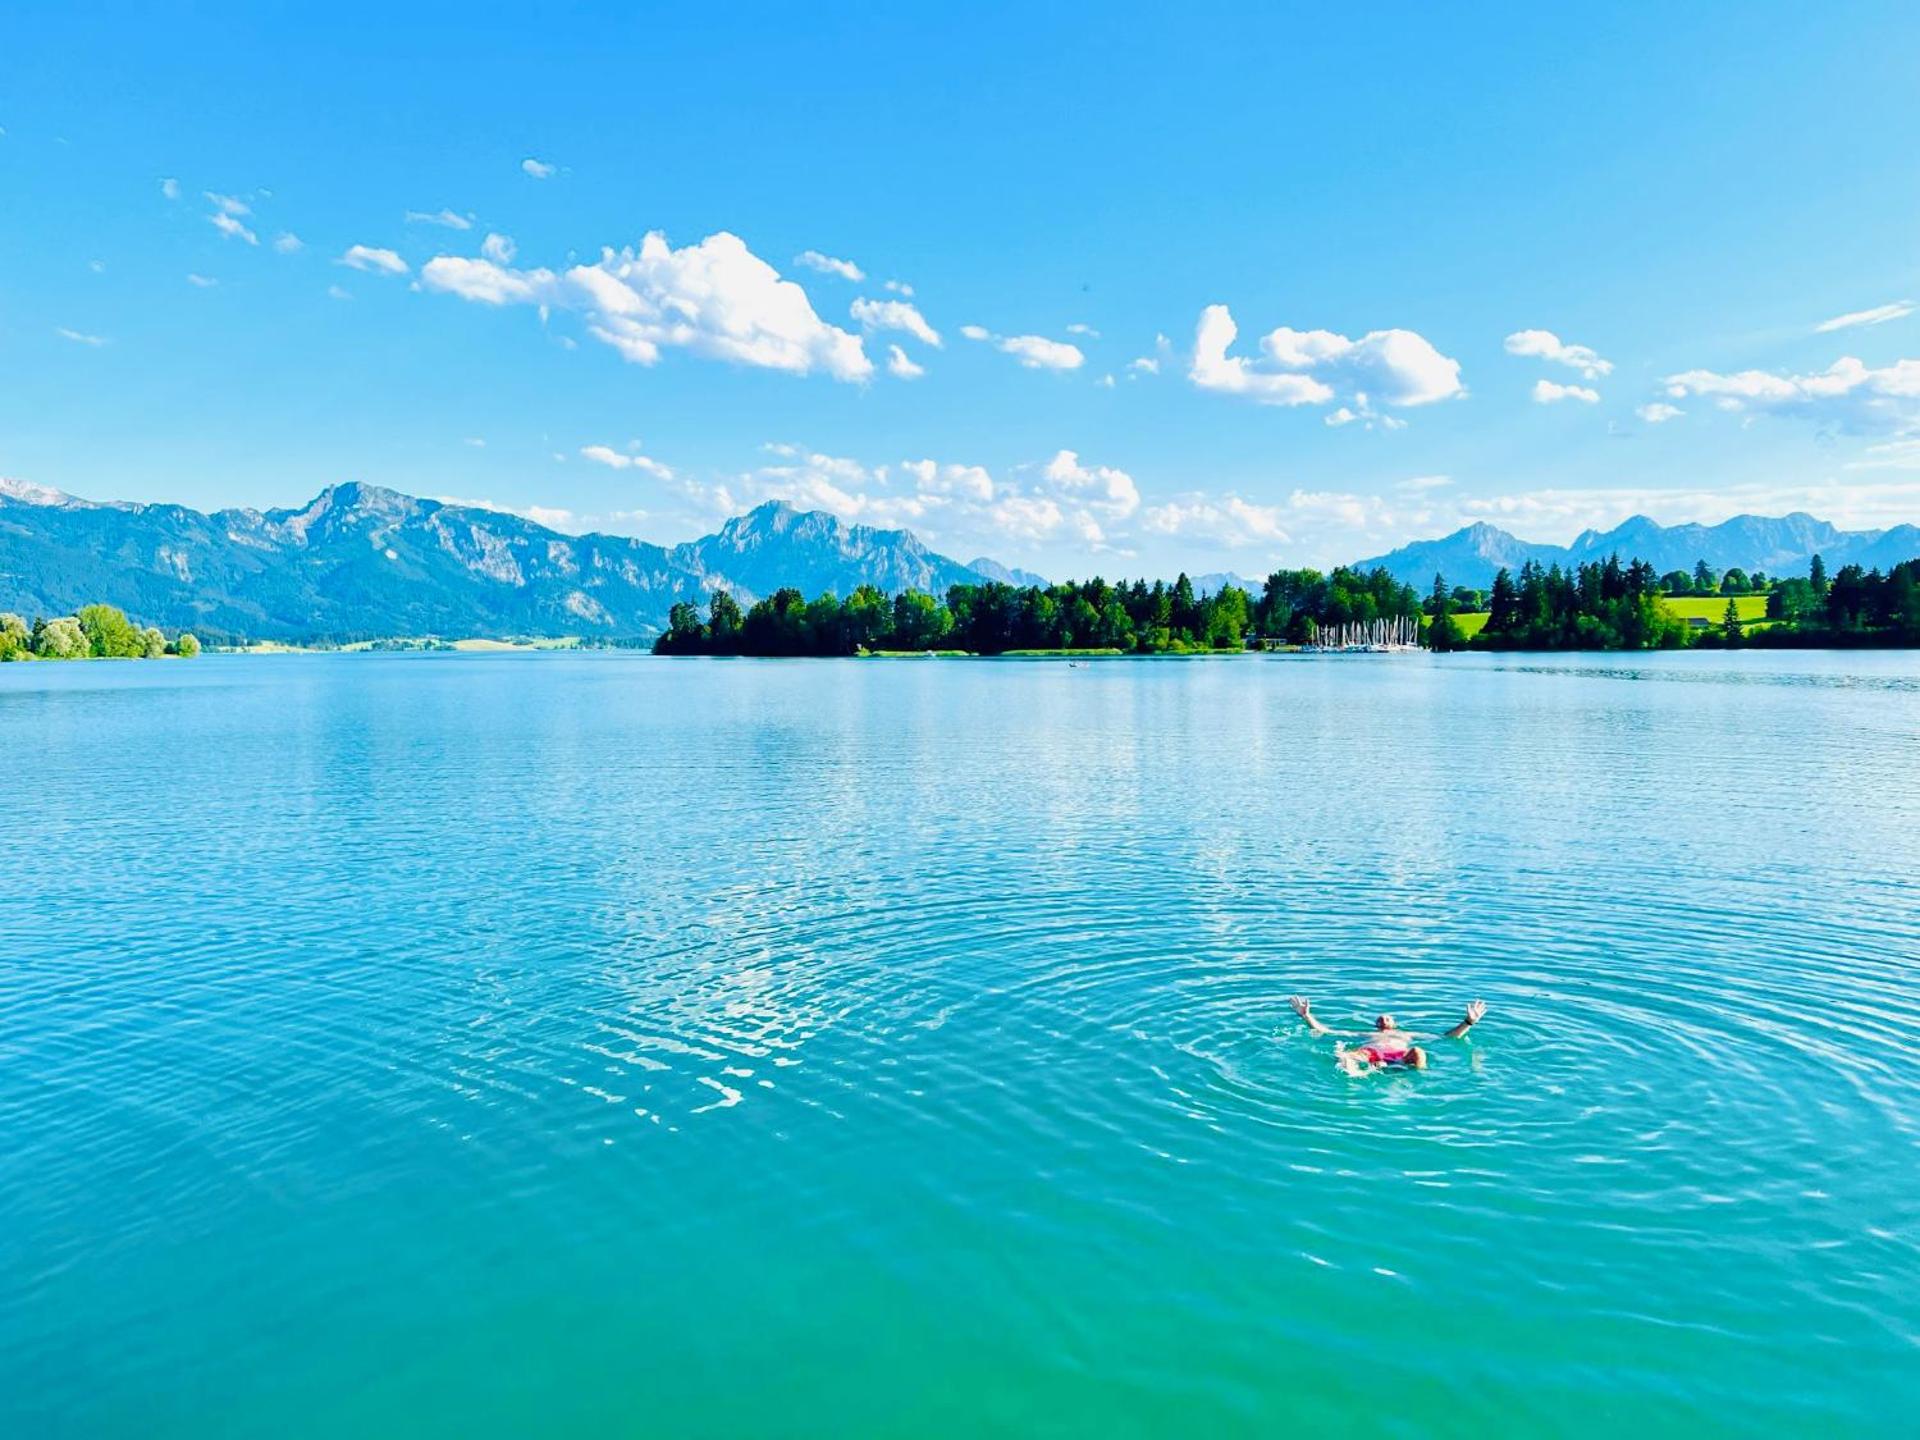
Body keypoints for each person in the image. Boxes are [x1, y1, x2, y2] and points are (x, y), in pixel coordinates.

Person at [1288, 995, 1486, 1073]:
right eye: (1380, 1019)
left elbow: (1447, 1037)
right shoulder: (1366, 1034)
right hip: (1371, 1053)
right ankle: (1355, 1076)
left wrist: (1468, 1022)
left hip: (1400, 1056)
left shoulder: (1407, 1035)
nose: (1384, 1020)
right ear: (1375, 1024)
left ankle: (1416, 1076)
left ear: (1395, 1023)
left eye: (1388, 1018)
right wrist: (1307, 1016)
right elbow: (1327, 1031)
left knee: (1418, 1052)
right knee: (1344, 1054)